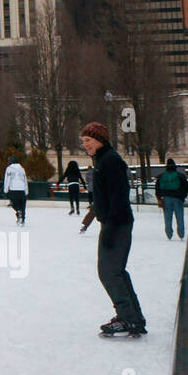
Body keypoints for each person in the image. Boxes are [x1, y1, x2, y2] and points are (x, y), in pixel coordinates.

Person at [81, 121, 146, 338]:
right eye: (84, 142)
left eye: (88, 140)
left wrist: (110, 226)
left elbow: (119, 195)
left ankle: (129, 319)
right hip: (113, 222)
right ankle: (133, 317)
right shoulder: (103, 160)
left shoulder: (110, 161)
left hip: (116, 223)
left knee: (109, 272)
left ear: (99, 139)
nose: (85, 145)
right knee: (115, 271)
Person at [155, 158, 188, 240]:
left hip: (166, 198)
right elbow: (187, 188)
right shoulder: (180, 176)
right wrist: (183, 196)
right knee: (179, 216)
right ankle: (181, 234)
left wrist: (159, 198)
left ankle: (169, 234)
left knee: (167, 217)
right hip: (178, 198)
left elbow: (157, 188)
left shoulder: (161, 176)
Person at [4, 155, 28, 225]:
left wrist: (6, 190)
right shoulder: (22, 169)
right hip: (22, 190)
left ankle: (18, 211)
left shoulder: (9, 169)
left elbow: (7, 180)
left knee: (14, 204)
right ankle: (22, 219)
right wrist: (26, 191)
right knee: (22, 205)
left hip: (13, 189)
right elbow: (25, 180)